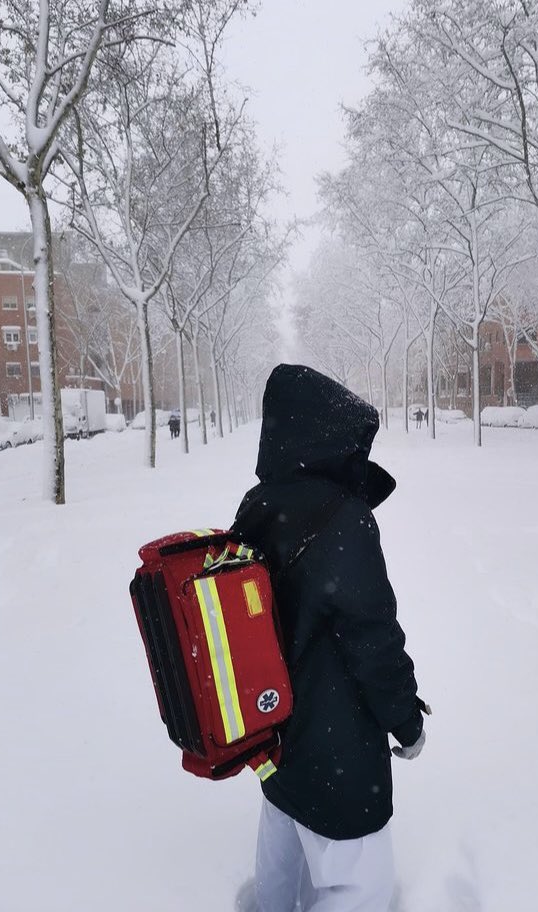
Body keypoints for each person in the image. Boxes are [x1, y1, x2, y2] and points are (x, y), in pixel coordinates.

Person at [232, 363, 426, 912]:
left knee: (282, 850)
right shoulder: (342, 519)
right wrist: (406, 720)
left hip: (275, 726)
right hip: (335, 738)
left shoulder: (257, 503)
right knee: (361, 883)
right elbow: (374, 638)